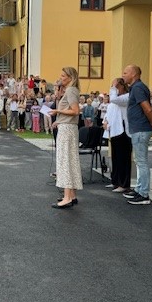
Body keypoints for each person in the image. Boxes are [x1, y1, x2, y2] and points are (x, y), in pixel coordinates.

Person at [120, 64, 152, 205]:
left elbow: (148, 109)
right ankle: (139, 189)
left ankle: (143, 194)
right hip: (139, 129)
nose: (123, 75)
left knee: (141, 162)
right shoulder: (136, 87)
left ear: (133, 74)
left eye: (125, 73)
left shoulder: (138, 88)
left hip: (141, 129)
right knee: (139, 161)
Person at [48, 67, 82, 208]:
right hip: (67, 127)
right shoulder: (70, 90)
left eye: (63, 76)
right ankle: (71, 195)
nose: (60, 78)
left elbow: (75, 111)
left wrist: (57, 111)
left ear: (70, 77)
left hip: (67, 130)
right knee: (70, 160)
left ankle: (67, 197)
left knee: (65, 161)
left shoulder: (71, 90)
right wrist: (59, 120)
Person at [105, 77, 132, 194]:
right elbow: (109, 111)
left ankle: (124, 184)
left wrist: (113, 89)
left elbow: (114, 100)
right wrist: (105, 121)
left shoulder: (126, 97)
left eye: (116, 86)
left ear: (122, 86)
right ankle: (115, 181)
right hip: (114, 131)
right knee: (115, 158)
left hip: (124, 131)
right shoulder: (114, 100)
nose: (113, 88)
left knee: (123, 159)